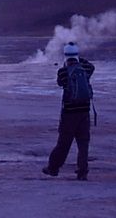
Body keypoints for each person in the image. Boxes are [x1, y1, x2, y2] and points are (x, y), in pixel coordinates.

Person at [43, 42, 95, 180]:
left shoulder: (63, 71)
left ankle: (53, 168)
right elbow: (91, 67)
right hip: (85, 111)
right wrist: (79, 59)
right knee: (83, 143)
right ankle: (82, 171)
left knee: (64, 142)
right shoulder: (85, 68)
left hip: (69, 113)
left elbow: (60, 83)